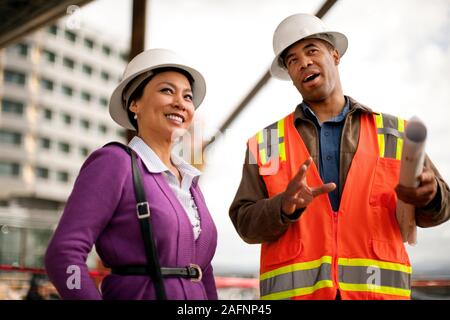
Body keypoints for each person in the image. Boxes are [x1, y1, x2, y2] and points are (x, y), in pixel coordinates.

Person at [229, 13, 450, 300]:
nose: (304, 62)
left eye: (311, 50)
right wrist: (281, 207)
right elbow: (245, 224)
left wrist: (429, 197)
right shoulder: (265, 143)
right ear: (289, 75)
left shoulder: (396, 134)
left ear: (335, 56)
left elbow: (444, 205)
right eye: (292, 59)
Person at [45, 48, 218, 300]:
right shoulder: (114, 163)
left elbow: (204, 272)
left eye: (188, 96)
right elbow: (63, 254)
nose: (181, 103)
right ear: (134, 103)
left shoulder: (190, 182)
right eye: (167, 90)